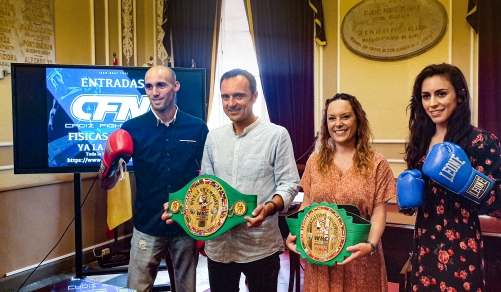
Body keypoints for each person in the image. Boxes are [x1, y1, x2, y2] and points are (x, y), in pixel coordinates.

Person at [400, 63, 501, 291]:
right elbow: (416, 203)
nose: (432, 103)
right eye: (426, 96)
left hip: (462, 244)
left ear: (460, 96)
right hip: (425, 242)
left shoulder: (480, 141)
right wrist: (408, 198)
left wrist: (468, 181)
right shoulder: (420, 142)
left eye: (441, 94)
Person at [185, 68, 299, 292]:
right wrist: (184, 208)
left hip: (260, 245)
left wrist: (268, 208)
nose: (231, 103)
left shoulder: (276, 135)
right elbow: (207, 189)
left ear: (254, 96)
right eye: (225, 97)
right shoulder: (214, 137)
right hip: (219, 245)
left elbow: (289, 184)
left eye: (239, 95)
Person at [100, 65, 209, 292]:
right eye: (149, 86)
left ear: (175, 86)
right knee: (137, 288)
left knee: (186, 289)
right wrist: (108, 165)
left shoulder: (197, 128)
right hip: (147, 224)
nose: (154, 92)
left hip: (184, 224)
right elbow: (108, 183)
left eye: (161, 85)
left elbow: (207, 177)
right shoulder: (132, 128)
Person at [285, 93, 396, 292]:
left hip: (360, 258)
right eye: (332, 118)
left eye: (345, 116)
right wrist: (295, 234)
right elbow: (307, 207)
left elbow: (379, 214)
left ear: (358, 120)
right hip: (321, 258)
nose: (338, 124)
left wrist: (370, 245)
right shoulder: (315, 161)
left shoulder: (377, 163)